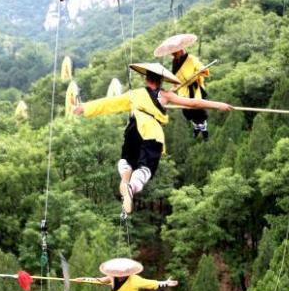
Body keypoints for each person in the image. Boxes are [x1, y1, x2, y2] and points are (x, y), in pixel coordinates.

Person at [74, 62, 232, 215]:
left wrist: (85, 108)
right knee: (146, 167)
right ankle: (132, 187)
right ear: (161, 80)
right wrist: (218, 105)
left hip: (133, 130)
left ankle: (125, 176)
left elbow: (109, 103)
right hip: (151, 132)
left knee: (127, 161)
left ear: (146, 78)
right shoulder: (165, 95)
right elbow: (193, 103)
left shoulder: (134, 94)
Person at [171, 47, 212, 140]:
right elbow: (175, 77)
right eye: (172, 53)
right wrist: (174, 86)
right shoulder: (174, 62)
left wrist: (200, 70)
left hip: (195, 88)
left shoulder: (191, 59)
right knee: (188, 112)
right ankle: (196, 127)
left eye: (174, 52)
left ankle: (204, 129)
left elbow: (202, 69)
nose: (173, 54)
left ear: (181, 50)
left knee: (199, 111)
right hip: (183, 90)